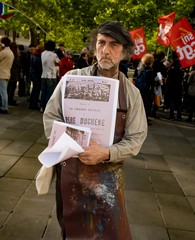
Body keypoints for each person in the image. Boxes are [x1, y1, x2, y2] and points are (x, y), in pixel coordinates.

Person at [43, 20, 148, 240]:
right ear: (94, 46)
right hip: (71, 173)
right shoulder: (72, 79)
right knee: (72, 230)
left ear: (124, 51)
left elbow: (136, 138)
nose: (106, 50)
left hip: (108, 179)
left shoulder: (131, 94)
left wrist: (106, 153)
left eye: (114, 44)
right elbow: (51, 117)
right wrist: (75, 141)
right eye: (101, 43)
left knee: (111, 231)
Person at [40, 40, 60, 112]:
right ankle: (47, 107)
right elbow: (59, 62)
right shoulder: (54, 55)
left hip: (44, 75)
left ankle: (42, 106)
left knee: (43, 92)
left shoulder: (43, 53)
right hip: (51, 76)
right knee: (50, 92)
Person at [135, 53, 155, 125]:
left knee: (140, 104)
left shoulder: (140, 69)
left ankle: (138, 119)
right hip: (148, 91)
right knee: (147, 105)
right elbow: (152, 83)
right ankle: (144, 119)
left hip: (140, 89)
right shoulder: (151, 71)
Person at [0, 36, 14, 114]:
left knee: (3, 92)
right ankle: (4, 106)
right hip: (6, 73)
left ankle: (4, 107)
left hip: (1, 73)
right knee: (3, 91)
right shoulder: (10, 52)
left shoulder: (3, 52)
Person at [29, 44, 44, 110]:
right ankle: (34, 104)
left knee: (34, 90)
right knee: (36, 90)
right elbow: (40, 68)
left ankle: (32, 103)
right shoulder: (39, 58)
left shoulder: (34, 56)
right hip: (37, 76)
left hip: (33, 75)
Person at [8, 42, 21, 106]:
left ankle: (9, 99)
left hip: (10, 72)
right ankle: (10, 100)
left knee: (9, 87)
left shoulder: (9, 53)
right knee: (12, 87)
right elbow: (18, 64)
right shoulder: (14, 55)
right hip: (14, 73)